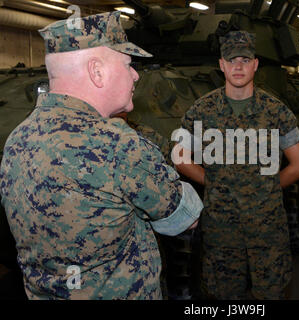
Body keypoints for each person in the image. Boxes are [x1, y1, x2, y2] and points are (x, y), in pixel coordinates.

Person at [0, 11, 203, 300]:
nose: (135, 75)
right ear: (97, 71)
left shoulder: (19, 137)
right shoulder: (118, 143)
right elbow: (185, 217)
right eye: (128, 64)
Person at [173, 31, 299, 299]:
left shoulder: (276, 111)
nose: (238, 66)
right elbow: (180, 158)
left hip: (267, 231)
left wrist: (266, 187)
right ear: (221, 64)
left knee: (271, 294)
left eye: (244, 60)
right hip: (221, 231)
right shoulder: (202, 110)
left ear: (255, 64)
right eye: (231, 60)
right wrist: (213, 183)